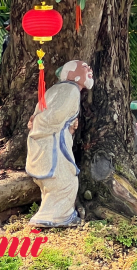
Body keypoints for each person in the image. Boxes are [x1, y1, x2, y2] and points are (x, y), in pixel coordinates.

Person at [26, 60, 94, 227]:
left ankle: (52, 214)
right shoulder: (70, 90)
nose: (90, 69)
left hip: (47, 143)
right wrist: (63, 125)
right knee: (65, 182)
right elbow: (50, 119)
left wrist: (69, 128)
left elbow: (41, 117)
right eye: (85, 67)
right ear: (73, 75)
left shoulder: (57, 90)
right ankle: (56, 217)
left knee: (57, 184)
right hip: (51, 145)